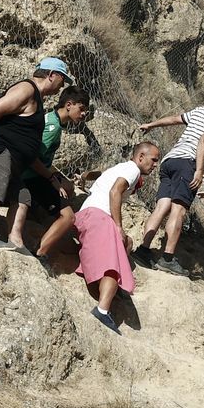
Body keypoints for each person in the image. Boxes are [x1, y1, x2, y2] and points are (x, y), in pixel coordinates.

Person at [133, 93, 204, 276]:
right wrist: (200, 170)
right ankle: (167, 259)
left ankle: (143, 251)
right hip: (188, 163)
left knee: (162, 206)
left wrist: (151, 124)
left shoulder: (203, 111)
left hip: (170, 161)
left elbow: (175, 119)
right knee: (179, 210)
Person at [0, 58, 72, 249]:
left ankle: (16, 242)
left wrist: (50, 176)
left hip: (12, 159)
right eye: (62, 79)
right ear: (52, 75)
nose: (62, 85)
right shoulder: (27, 89)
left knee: (23, 197)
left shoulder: (37, 99)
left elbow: (30, 151)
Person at [74, 142, 159, 334]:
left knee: (127, 243)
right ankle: (102, 309)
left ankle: (110, 290)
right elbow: (115, 191)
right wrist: (118, 226)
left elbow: (103, 175)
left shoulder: (122, 168)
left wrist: (87, 175)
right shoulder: (132, 170)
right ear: (140, 157)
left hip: (86, 215)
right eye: (153, 160)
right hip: (99, 216)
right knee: (115, 263)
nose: (155, 165)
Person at [8, 85, 91, 263]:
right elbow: (32, 157)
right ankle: (40, 251)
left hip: (31, 175)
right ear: (69, 105)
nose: (83, 114)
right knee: (68, 216)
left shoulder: (53, 121)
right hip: (30, 178)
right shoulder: (52, 127)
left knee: (67, 186)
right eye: (81, 109)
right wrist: (52, 179)